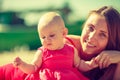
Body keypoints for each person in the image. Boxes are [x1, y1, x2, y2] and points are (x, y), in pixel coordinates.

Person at [0, 6, 120, 80]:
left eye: (102, 34)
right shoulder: (61, 42)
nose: (91, 37)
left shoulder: (111, 58)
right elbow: (35, 68)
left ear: (112, 40)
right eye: (90, 28)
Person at [13, 12, 97, 80]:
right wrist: (22, 64)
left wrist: (90, 64)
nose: (46, 40)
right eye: (43, 37)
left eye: (52, 35)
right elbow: (33, 68)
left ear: (63, 33)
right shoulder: (42, 52)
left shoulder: (71, 49)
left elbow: (79, 64)